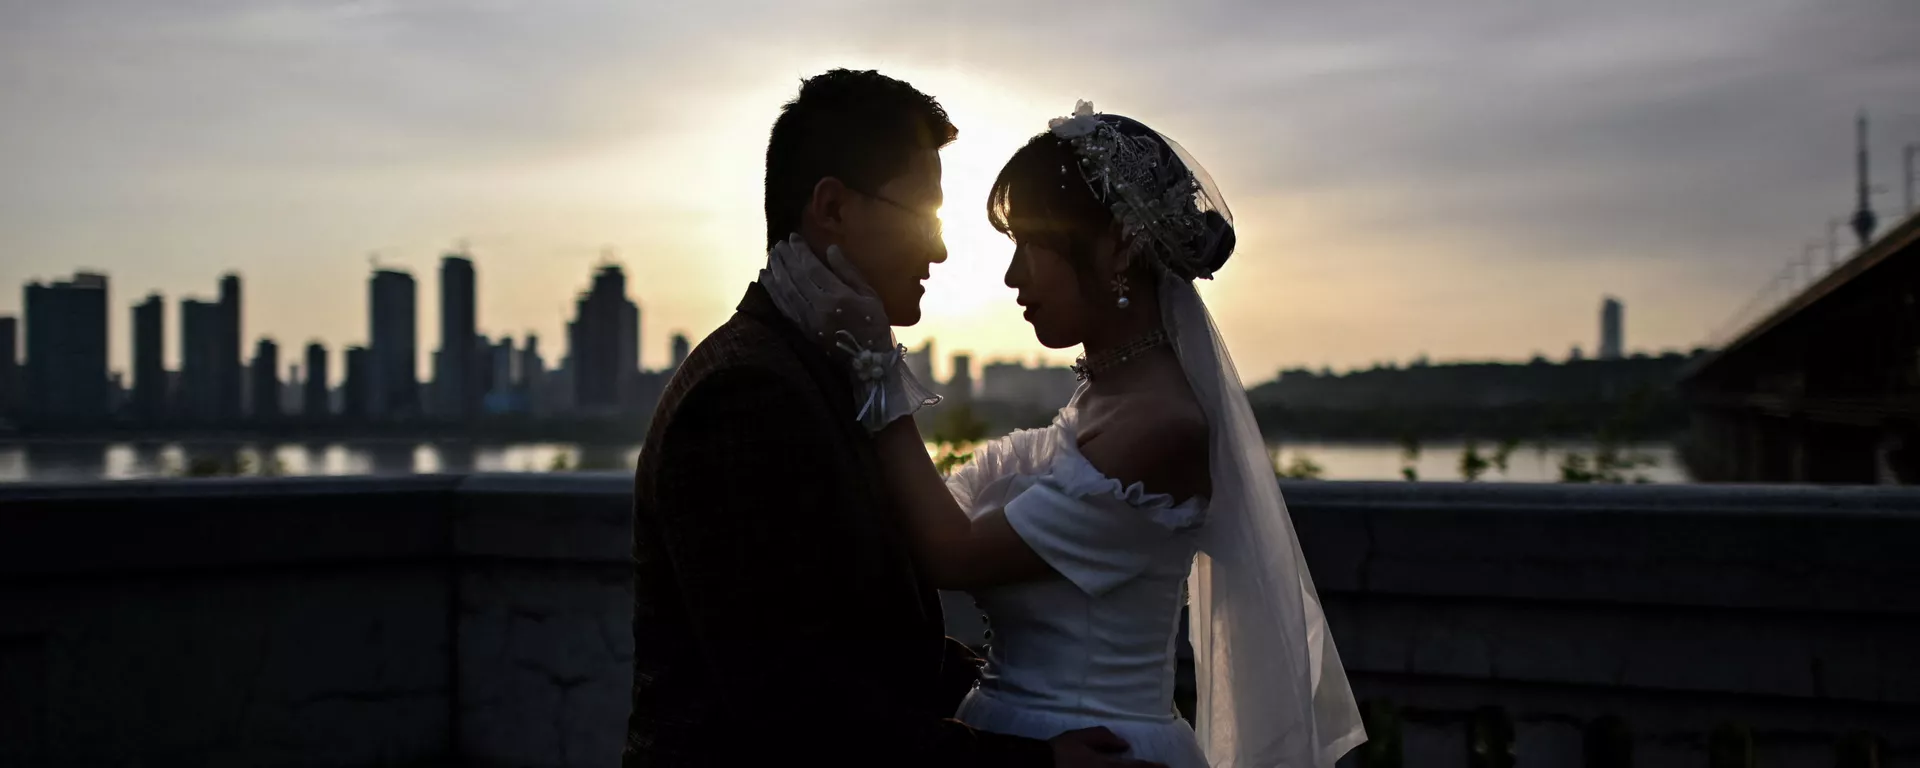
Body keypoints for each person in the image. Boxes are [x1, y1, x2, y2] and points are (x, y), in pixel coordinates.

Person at [764, 102, 1367, 768]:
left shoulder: (1160, 425)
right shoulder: (1100, 402)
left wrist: (876, 366)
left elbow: (953, 554)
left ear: (1119, 245)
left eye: (1032, 244)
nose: (1013, 276)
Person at [627, 71, 1162, 768]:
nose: (940, 250)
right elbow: (797, 710)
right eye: (925, 216)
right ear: (833, 208)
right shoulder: (746, 393)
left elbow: (870, 642)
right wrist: (1039, 762)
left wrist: (1029, 694)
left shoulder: (818, 370)